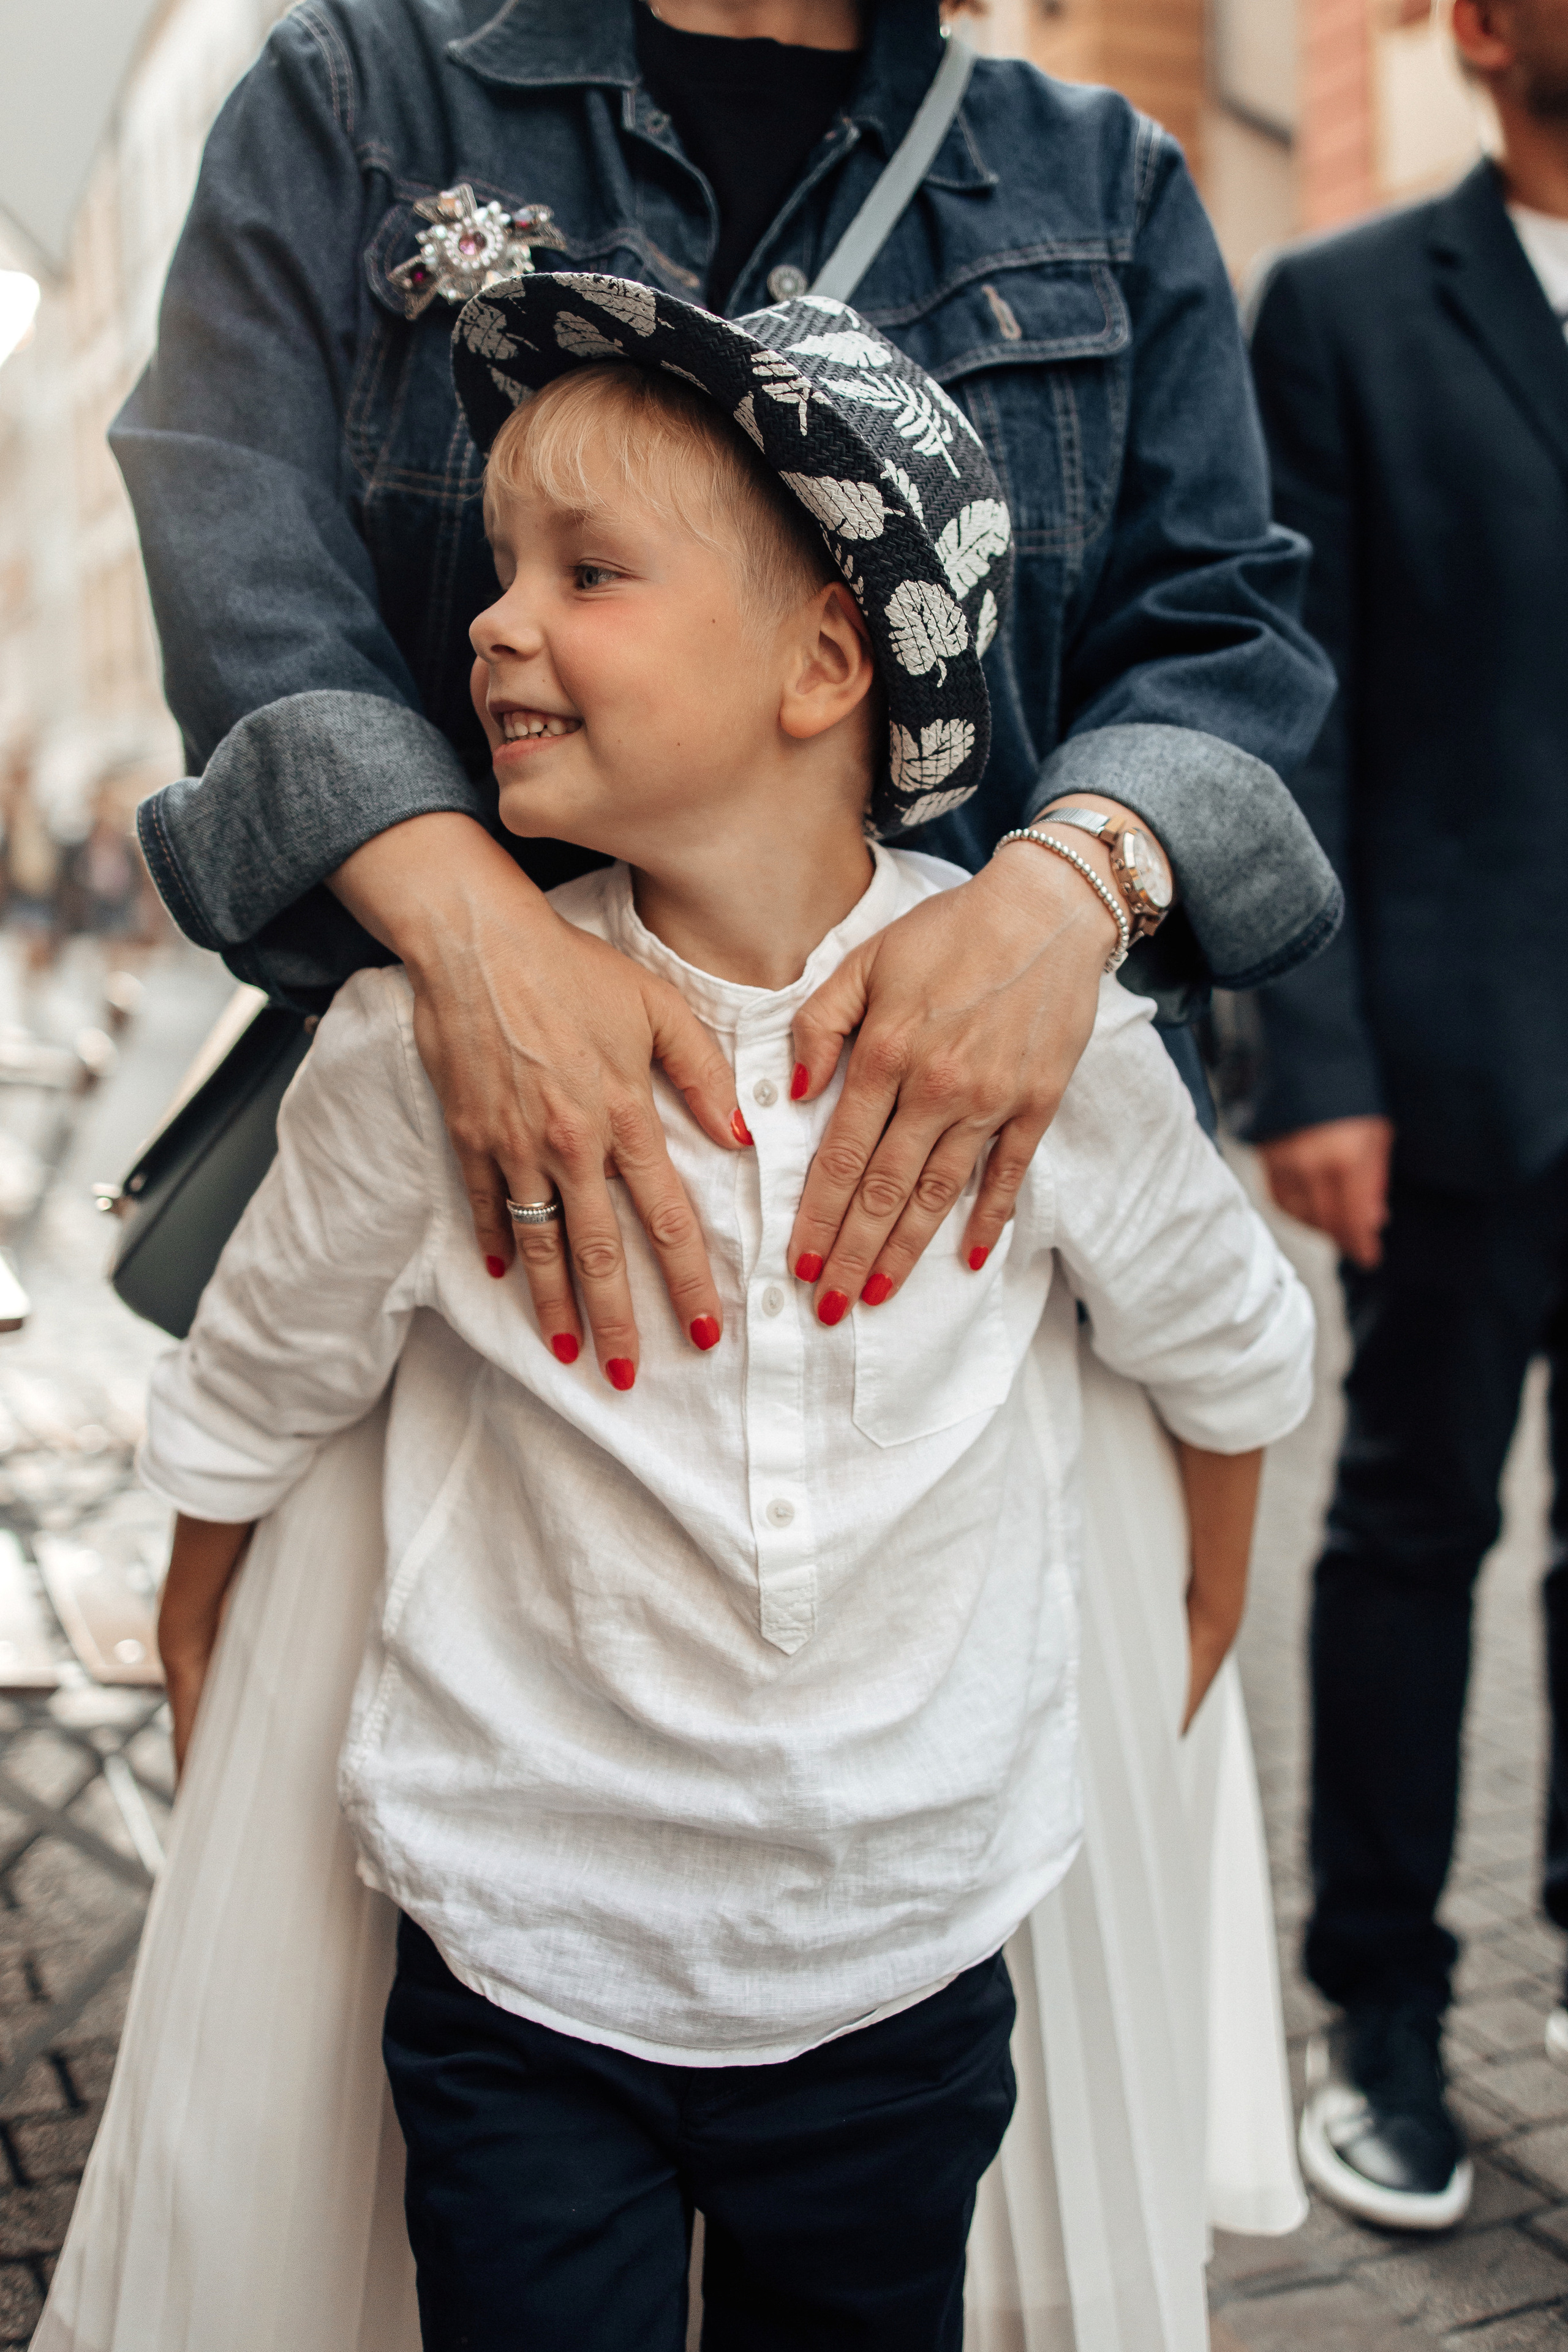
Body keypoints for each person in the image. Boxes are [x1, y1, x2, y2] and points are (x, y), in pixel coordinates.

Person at [42, 287, 1313, 2351]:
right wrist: (200, 1619)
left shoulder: (1029, 1037)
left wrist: (1197, 1616)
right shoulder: (418, 1048)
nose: (490, 624)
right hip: (520, 1969)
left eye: (589, 571)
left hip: (902, 1972)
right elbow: (261, 1377)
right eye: (500, 569)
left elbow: (1232, 1339)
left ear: (826, 661)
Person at [114, 0, 1339, 1379]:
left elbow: (1220, 621)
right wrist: (469, 934)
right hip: (464, 1245)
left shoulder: (1105, 179)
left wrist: (1063, 903)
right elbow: (230, 527)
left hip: (981, 1272)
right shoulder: (355, 90)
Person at [1248, 0, 1568, 2237]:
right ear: (1477, 24)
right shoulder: (1349, 312)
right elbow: (1298, 730)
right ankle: (1374, 2002)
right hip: (1457, 1073)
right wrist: (1320, 1063)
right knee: (1407, 1542)